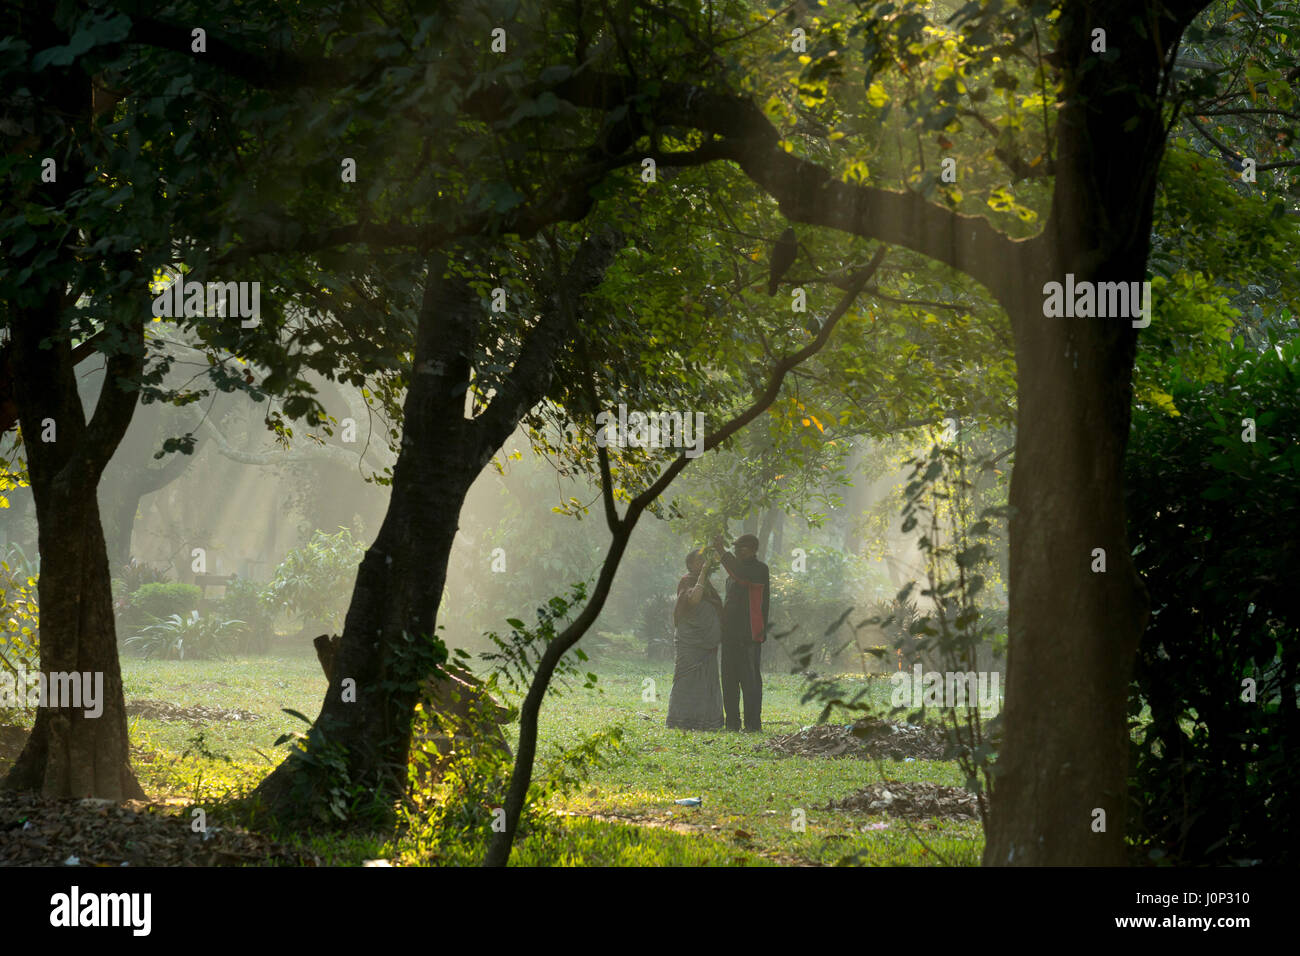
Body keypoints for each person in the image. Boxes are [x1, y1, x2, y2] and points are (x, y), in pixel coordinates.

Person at [712, 533, 770, 732]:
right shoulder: (733, 576)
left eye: (741, 548)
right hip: (729, 635)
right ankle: (732, 724)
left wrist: (721, 551)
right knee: (729, 681)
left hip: (749, 636)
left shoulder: (759, 570)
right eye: (735, 548)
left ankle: (753, 725)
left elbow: (742, 576)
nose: (737, 551)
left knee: (750, 682)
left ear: (753, 549)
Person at [665, 548, 725, 730]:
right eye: (698, 561)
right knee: (686, 678)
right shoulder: (687, 580)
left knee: (707, 679)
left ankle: (706, 721)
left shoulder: (708, 584)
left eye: (704, 561)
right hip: (689, 641)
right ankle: (681, 720)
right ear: (690, 564)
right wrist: (703, 573)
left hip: (707, 643)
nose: (702, 564)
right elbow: (693, 600)